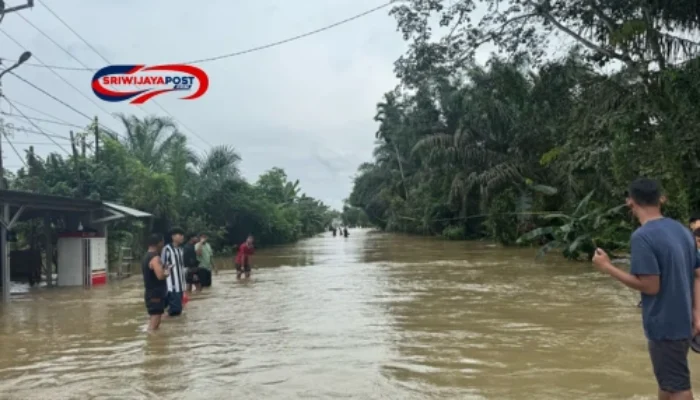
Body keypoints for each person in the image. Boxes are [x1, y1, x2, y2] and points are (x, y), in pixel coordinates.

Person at [592, 178, 700, 399]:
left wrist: (607, 267)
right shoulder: (682, 230)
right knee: (667, 383)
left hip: (664, 324)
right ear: (661, 199)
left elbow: (650, 286)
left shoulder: (643, 236)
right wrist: (697, 312)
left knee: (678, 388)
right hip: (685, 321)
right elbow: (697, 273)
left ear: (630, 202)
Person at [142, 233, 168, 332]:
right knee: (154, 321)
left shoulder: (146, 256)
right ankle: (151, 339)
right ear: (159, 243)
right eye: (163, 242)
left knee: (156, 320)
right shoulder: (155, 258)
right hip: (155, 293)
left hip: (150, 292)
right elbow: (160, 276)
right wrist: (167, 272)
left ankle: (154, 339)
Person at [162, 228, 186, 317]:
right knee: (175, 310)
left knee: (177, 310)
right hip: (171, 285)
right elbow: (162, 264)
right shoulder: (167, 249)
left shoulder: (181, 249)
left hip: (181, 285)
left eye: (182, 235)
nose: (182, 237)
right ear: (173, 237)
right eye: (180, 235)